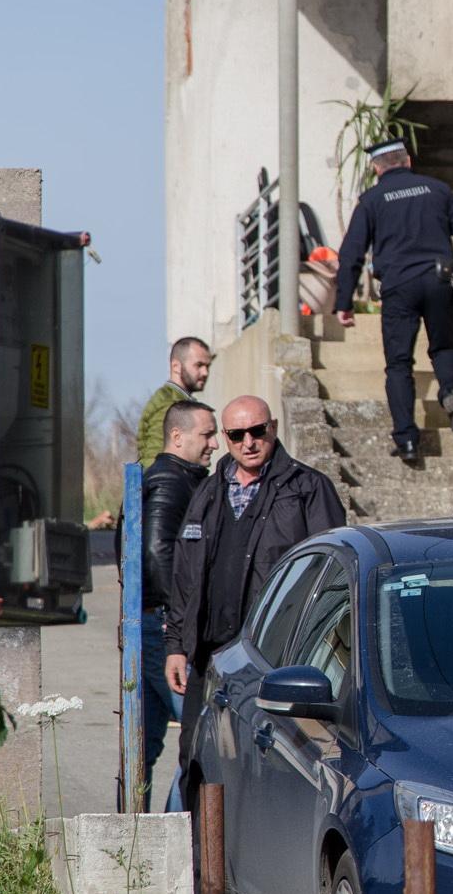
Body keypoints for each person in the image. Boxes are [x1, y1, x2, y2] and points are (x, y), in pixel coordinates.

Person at [164, 396, 345, 797]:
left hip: (274, 661)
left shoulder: (308, 489)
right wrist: (176, 645)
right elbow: (185, 578)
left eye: (257, 431)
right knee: (195, 760)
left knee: (267, 772)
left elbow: (331, 577)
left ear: (273, 428)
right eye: (236, 435)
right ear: (226, 439)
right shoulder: (207, 493)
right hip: (209, 659)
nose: (248, 442)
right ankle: (201, 857)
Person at [334, 139, 453, 463]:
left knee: (399, 364)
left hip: (399, 286)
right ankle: (450, 392)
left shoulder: (371, 199)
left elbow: (352, 253)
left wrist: (344, 300)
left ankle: (406, 439)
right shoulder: (437, 190)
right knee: (444, 347)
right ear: (407, 161)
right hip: (440, 279)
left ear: (377, 169)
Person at [139, 399, 215, 810]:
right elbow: (155, 553)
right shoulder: (170, 481)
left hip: (157, 622)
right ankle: (175, 835)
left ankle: (138, 843)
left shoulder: (180, 477)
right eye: (207, 434)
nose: (214, 444)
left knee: (146, 743)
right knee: (200, 739)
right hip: (166, 627)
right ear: (177, 436)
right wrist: (181, 619)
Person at [136, 337, 212, 467]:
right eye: (199, 365)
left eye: (207, 366)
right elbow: (154, 455)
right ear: (176, 366)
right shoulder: (170, 405)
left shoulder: (177, 400)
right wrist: (163, 485)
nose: (205, 373)